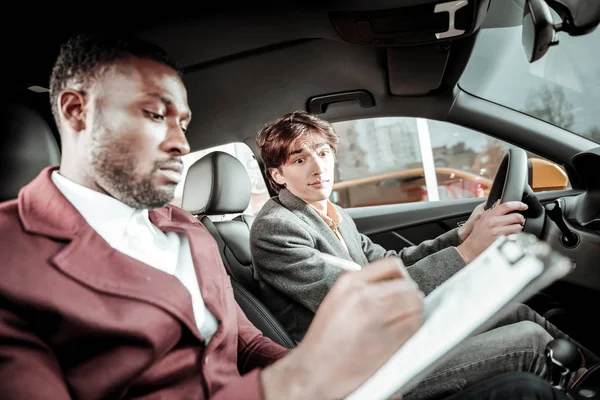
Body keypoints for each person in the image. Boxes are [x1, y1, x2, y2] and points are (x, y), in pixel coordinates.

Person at [0, 32, 573, 400]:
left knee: (523, 379)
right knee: (525, 360)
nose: (181, 142)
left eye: (184, 121)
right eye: (155, 115)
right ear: (76, 111)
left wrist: (460, 236)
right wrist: (307, 379)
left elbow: (245, 343)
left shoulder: (186, 231)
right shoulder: (11, 261)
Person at [250, 110, 599, 400]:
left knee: (517, 312)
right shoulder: (276, 228)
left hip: (388, 341)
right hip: (362, 369)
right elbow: (363, 304)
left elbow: (391, 262)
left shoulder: (328, 211)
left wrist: (461, 234)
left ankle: (593, 374)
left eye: (323, 153)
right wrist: (467, 251)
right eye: (300, 159)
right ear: (278, 174)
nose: (318, 167)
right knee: (530, 341)